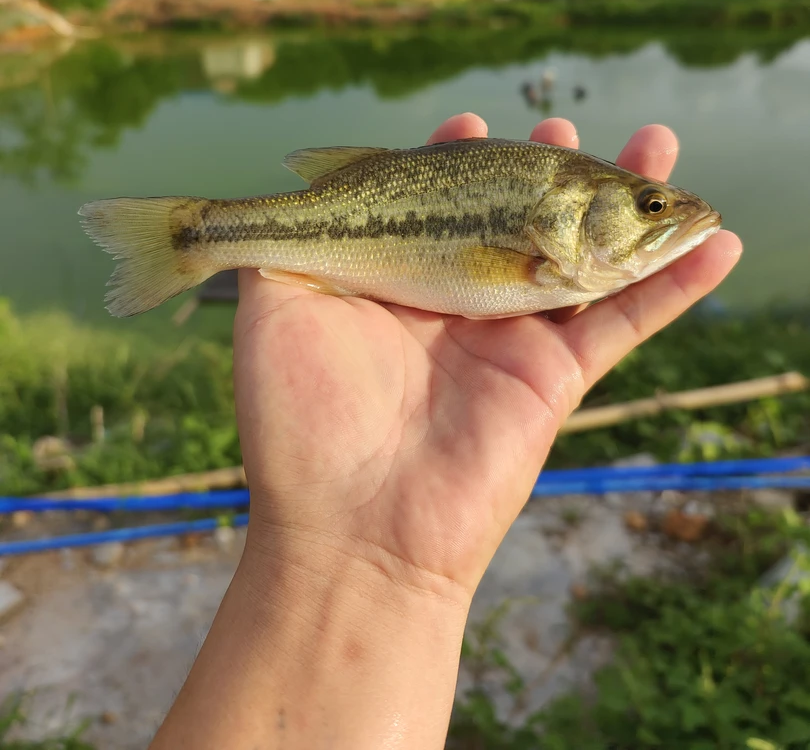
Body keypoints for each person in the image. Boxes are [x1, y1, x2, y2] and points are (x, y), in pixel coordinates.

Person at [149, 113, 742, 749]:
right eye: (649, 207)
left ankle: (197, 232)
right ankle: (195, 235)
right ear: (571, 213)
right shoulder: (541, 253)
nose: (666, 214)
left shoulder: (554, 251)